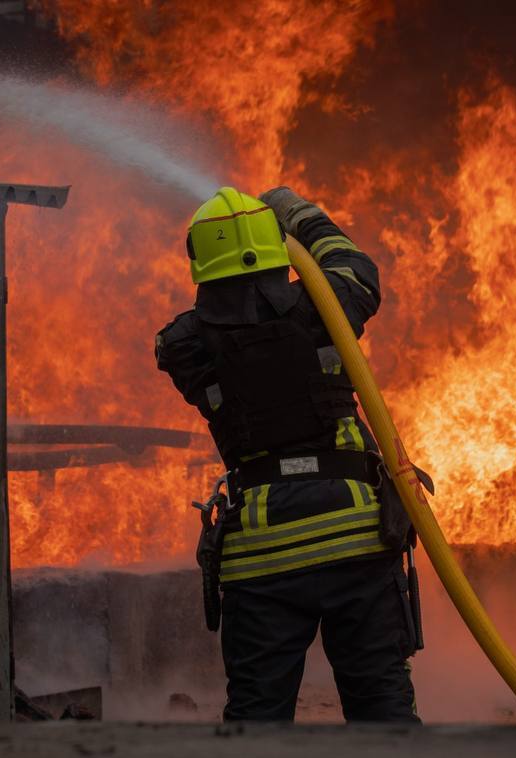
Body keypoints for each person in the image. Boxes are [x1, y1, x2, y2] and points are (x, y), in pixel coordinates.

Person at [155, 186, 419, 723]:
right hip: (355, 543)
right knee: (383, 711)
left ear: (199, 260)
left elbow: (175, 339)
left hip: (263, 555)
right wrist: (297, 213)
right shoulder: (325, 308)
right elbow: (356, 268)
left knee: (256, 719)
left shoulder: (186, 345)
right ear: (275, 247)